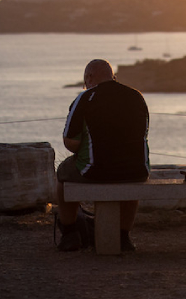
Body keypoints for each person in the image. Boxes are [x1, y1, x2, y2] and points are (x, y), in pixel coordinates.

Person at [55, 59, 149, 252]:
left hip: (95, 169)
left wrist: (85, 149)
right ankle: (123, 237)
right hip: (137, 169)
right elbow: (143, 135)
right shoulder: (136, 97)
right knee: (131, 179)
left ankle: (70, 233)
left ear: (89, 77)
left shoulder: (85, 98)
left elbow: (70, 141)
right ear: (112, 77)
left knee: (62, 175)